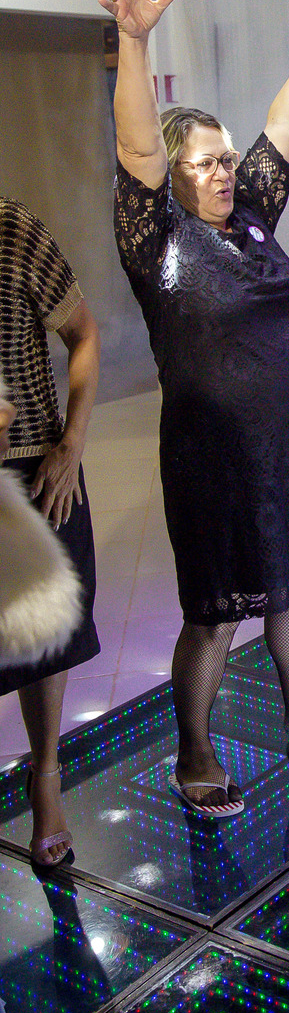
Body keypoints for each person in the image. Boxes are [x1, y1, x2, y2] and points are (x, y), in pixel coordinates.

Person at [99, 0, 289, 822]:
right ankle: (196, 748)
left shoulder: (250, 218)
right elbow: (137, 142)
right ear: (171, 177)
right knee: (214, 612)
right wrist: (134, 45)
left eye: (223, 160)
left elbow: (285, 124)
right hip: (212, 455)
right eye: (203, 163)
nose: (222, 172)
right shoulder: (155, 238)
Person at [0, 197, 100, 870]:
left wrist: (70, 444)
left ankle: (46, 776)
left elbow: (84, 333)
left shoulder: (13, 229)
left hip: (34, 465)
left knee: (47, 640)